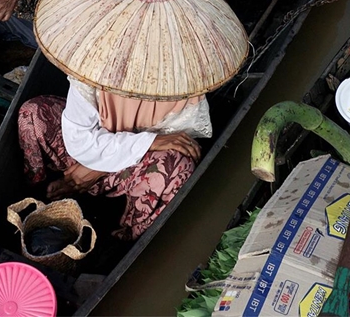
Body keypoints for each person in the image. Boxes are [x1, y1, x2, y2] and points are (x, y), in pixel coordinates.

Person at [18, 79, 209, 240]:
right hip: (80, 155)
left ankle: (126, 231)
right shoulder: (96, 63)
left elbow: (171, 140)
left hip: (131, 166)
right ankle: (37, 187)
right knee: (33, 112)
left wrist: (94, 171)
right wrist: (87, 169)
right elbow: (79, 138)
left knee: (177, 166)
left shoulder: (182, 81)